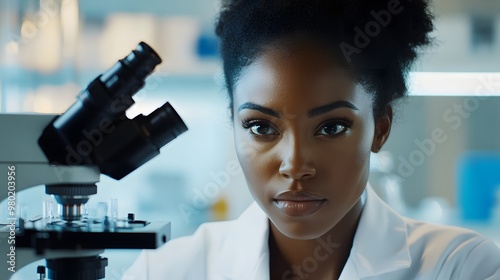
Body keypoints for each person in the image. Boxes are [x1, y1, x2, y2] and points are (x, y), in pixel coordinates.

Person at [123, 0, 500, 279]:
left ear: (380, 127)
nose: (295, 164)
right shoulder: (165, 271)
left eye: (332, 127)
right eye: (261, 127)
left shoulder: (460, 266)